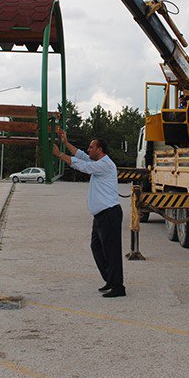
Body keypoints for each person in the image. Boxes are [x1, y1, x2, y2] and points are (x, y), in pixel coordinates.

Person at [52, 127, 125, 298]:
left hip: (109, 214)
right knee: (97, 247)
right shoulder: (97, 162)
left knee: (111, 251)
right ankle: (110, 279)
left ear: (100, 150)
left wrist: (59, 155)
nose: (89, 149)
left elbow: (83, 165)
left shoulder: (105, 165)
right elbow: (82, 156)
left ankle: (118, 287)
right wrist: (66, 143)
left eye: (92, 147)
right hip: (101, 216)